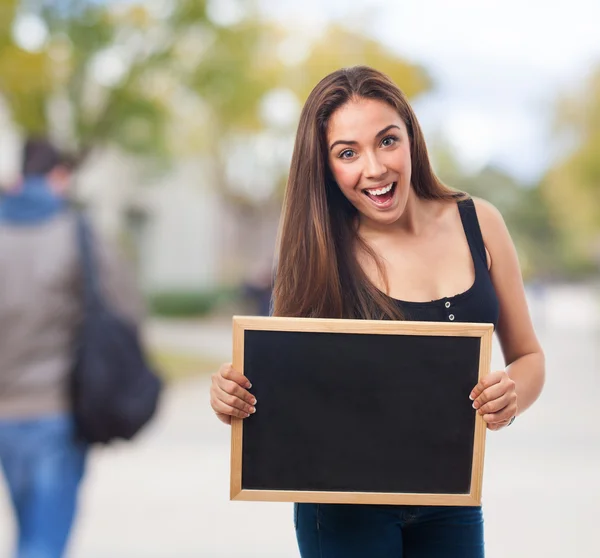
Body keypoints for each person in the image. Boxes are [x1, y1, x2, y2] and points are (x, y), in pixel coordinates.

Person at [209, 66, 545, 557]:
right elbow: (280, 383)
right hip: (342, 509)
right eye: (347, 153)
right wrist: (231, 396)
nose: (375, 168)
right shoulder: (317, 250)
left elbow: (529, 355)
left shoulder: (480, 222)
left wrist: (512, 395)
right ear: (325, 166)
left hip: (449, 497)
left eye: (387, 141)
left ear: (411, 137)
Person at [0, 138, 144, 558]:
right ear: (59, 176)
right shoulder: (76, 233)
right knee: (44, 542)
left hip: (4, 414)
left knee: (29, 530)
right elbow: (126, 310)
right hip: (57, 409)